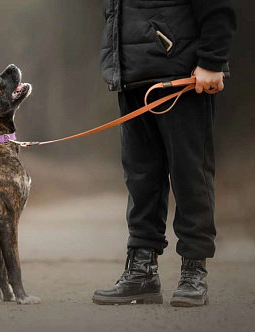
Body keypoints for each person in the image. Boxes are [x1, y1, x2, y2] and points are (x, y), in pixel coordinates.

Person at [92, 0, 236, 307]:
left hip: (181, 76)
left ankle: (194, 272)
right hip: (132, 76)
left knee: (190, 175)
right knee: (140, 178)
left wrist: (212, 60)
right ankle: (141, 272)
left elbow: (219, 6)